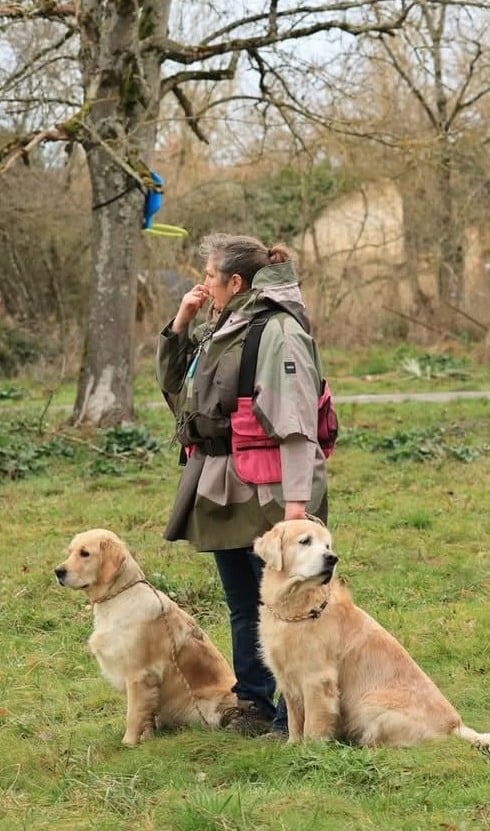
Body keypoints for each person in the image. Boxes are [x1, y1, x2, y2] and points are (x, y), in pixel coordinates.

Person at [156, 233, 328, 736]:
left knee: (289, 604)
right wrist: (181, 324)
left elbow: (297, 423)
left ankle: (295, 714)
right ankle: (253, 703)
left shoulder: (278, 330)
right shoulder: (222, 325)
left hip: (271, 494)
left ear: (235, 281)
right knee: (242, 603)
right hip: (221, 483)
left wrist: (295, 509)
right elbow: (179, 391)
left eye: (210, 275)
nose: (204, 283)